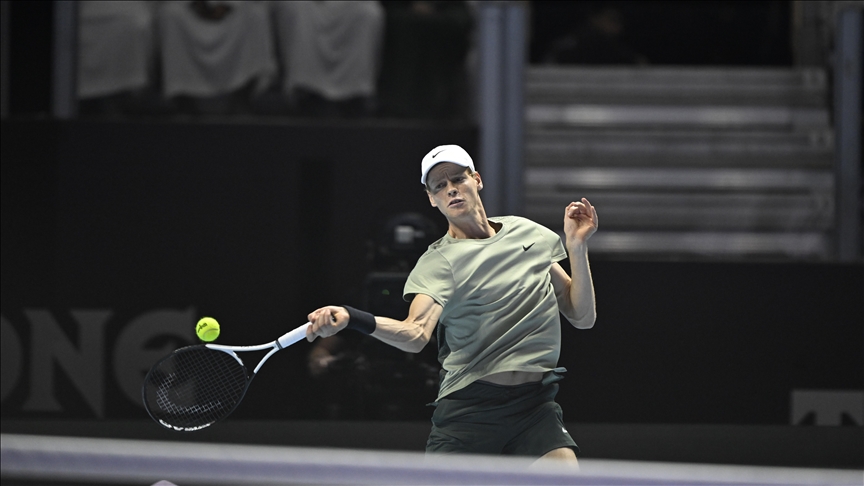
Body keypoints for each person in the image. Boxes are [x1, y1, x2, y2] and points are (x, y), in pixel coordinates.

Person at [306, 144, 597, 464]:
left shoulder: (528, 234)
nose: (451, 190)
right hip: (470, 411)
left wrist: (576, 246)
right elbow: (415, 334)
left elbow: (581, 316)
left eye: (458, 179)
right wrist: (352, 317)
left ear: (477, 180)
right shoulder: (438, 262)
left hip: (535, 407)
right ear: (432, 198)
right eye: (439, 186)